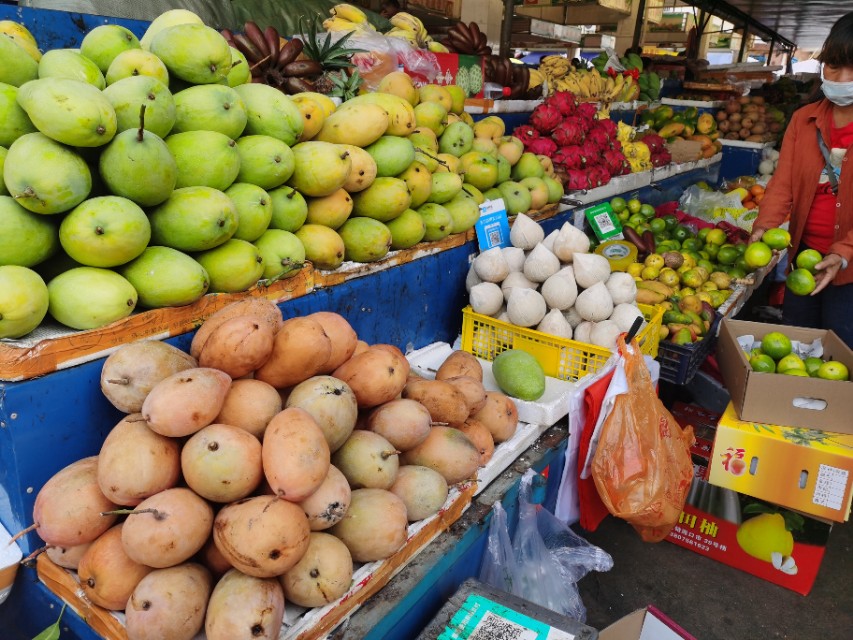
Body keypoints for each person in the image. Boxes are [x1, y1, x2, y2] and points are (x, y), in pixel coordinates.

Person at [750, 11, 853, 346]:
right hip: (804, 259)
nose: (841, 76)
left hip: (850, 269)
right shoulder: (803, 120)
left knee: (840, 355)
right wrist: (765, 225)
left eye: (852, 67)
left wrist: (844, 251)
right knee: (798, 347)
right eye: (834, 65)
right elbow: (783, 183)